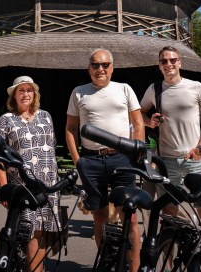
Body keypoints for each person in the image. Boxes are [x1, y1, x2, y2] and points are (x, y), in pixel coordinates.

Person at [65, 49, 145, 272]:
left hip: (121, 157)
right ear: (88, 68)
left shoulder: (124, 89)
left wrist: (135, 153)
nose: (100, 69)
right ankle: (105, 263)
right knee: (99, 215)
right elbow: (71, 128)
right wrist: (77, 160)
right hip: (90, 159)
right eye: (95, 65)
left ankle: (134, 268)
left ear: (112, 67)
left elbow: (138, 123)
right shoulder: (79, 92)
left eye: (105, 65)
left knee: (128, 213)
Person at [140, 46, 201, 250]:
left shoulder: (196, 87)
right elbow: (139, 115)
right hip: (166, 160)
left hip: (194, 159)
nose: (169, 64)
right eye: (164, 61)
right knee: (169, 217)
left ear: (180, 62)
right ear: (159, 65)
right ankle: (168, 264)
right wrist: (150, 121)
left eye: (173, 60)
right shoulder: (155, 89)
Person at [0, 76, 60, 272]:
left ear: (35, 94)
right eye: (20, 90)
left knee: (41, 233)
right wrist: (5, 188)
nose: (25, 94)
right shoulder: (6, 120)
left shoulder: (46, 116)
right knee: (29, 234)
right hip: (22, 188)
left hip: (47, 185)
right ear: (14, 96)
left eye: (28, 90)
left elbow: (52, 148)